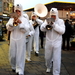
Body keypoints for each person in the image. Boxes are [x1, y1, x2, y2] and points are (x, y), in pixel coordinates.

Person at [6, 4, 30, 75]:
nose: (17, 12)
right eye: (16, 11)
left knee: (20, 54)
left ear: (21, 11)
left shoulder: (25, 20)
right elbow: (8, 28)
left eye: (19, 11)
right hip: (13, 39)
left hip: (21, 39)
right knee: (12, 55)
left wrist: (20, 23)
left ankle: (20, 69)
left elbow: (26, 30)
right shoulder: (11, 19)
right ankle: (13, 66)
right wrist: (13, 23)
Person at [40, 8, 65, 75]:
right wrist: (46, 24)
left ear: (56, 15)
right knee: (47, 57)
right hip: (48, 41)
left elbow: (62, 31)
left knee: (57, 58)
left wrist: (54, 25)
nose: (53, 17)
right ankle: (48, 66)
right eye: (52, 15)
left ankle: (56, 72)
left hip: (57, 42)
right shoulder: (47, 20)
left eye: (54, 15)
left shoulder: (60, 21)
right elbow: (42, 29)